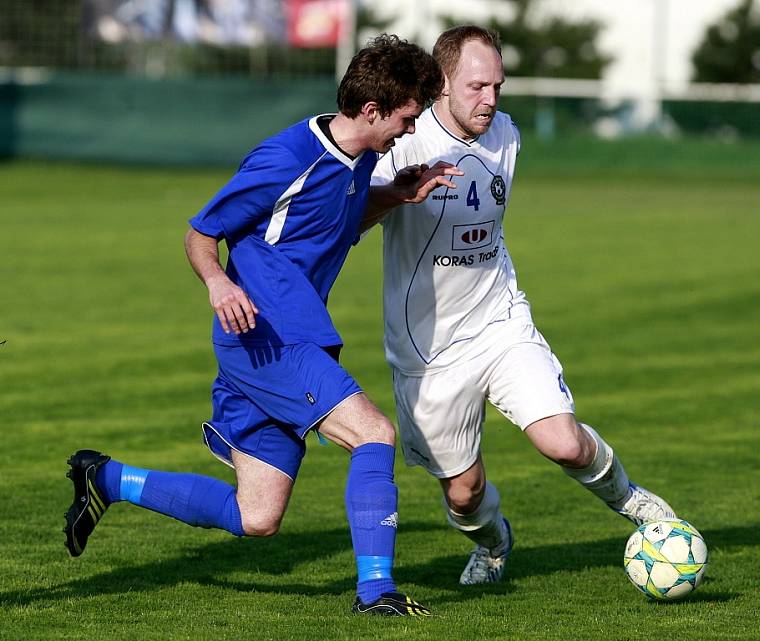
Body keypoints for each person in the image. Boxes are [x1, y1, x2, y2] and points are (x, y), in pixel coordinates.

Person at [63, 34, 461, 616]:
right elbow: (201, 234)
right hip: (267, 337)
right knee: (374, 434)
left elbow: (337, 222)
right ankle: (376, 593)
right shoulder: (284, 159)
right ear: (371, 111)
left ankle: (107, 479)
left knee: (257, 517)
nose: (408, 130)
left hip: (287, 335)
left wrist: (393, 196)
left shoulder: (362, 157)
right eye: (404, 119)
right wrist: (219, 284)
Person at [364, 26, 677, 586]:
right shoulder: (404, 143)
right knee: (465, 494)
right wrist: (396, 194)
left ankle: (635, 505)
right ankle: (492, 541)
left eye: (498, 87)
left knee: (563, 441)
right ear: (441, 84)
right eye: (476, 87)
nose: (490, 100)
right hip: (426, 348)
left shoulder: (505, 133)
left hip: (500, 321)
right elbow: (348, 222)